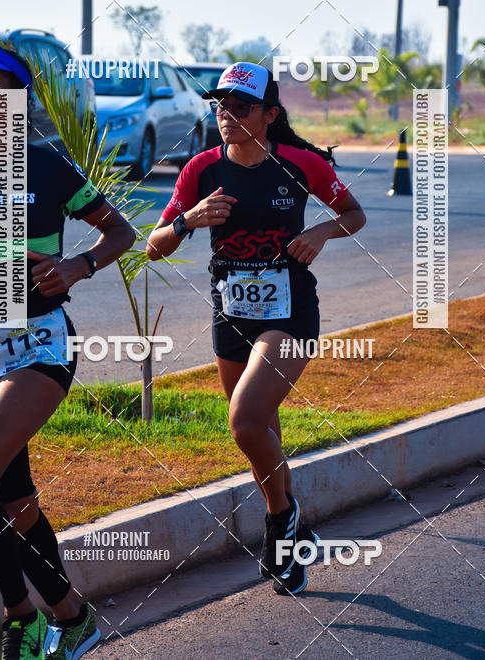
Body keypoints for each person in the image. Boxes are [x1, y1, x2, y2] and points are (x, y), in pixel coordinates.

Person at [0, 45, 135, 659]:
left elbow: (119, 230)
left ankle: (21, 617)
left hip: (36, 339)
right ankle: (73, 616)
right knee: (9, 500)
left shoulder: (45, 168)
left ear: (16, 100)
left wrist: (79, 265)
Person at [146, 61, 366, 596]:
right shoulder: (200, 169)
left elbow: (353, 213)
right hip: (230, 311)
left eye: (239, 106)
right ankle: (294, 537)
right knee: (262, 427)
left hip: (289, 310)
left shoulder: (302, 165)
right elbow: (154, 245)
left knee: (245, 422)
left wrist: (320, 232)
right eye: (219, 105)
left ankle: (279, 521)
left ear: (269, 114)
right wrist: (186, 220)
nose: (226, 115)